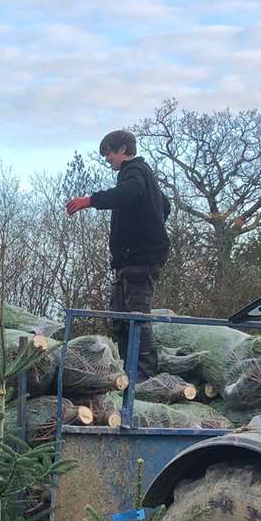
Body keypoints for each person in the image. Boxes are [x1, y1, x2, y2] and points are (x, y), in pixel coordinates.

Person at [66, 129, 171, 375]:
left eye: (108, 153)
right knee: (121, 318)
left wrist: (90, 200)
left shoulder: (134, 171)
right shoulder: (144, 176)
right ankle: (126, 370)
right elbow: (165, 206)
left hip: (139, 259)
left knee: (136, 318)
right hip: (128, 259)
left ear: (122, 149)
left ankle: (143, 376)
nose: (107, 159)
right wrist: (148, 224)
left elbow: (130, 192)